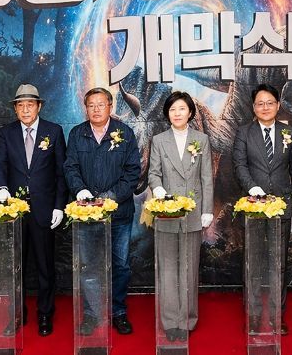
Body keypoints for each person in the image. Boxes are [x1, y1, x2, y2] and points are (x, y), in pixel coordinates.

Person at [0, 84, 67, 337]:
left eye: (30, 105)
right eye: (20, 105)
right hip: (14, 210)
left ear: (39, 106)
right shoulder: (6, 133)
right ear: (15, 109)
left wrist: (58, 206)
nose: (25, 109)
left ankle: (45, 313)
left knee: (45, 266)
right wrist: (2, 188)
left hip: (45, 210)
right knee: (15, 265)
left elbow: (61, 172)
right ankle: (17, 313)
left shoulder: (53, 131)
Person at [65, 87, 141, 335]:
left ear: (110, 106)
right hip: (86, 214)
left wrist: (109, 198)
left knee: (120, 265)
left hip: (119, 214)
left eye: (101, 104)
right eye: (91, 105)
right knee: (89, 265)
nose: (96, 109)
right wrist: (80, 190)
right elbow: (70, 167)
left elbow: (133, 173)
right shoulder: (77, 134)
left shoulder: (125, 133)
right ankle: (91, 313)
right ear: (85, 108)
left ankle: (118, 312)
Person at [232, 83, 292, 335]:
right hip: (253, 207)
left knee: (278, 263)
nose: (265, 107)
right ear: (253, 107)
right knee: (252, 263)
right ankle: (253, 316)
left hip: (282, 207)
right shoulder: (244, 132)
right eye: (260, 103)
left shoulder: (289, 132)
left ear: (278, 105)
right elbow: (239, 165)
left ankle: (276, 315)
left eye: (270, 103)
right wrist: (252, 188)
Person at [147, 91, 214, 341]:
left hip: (193, 213)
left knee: (189, 269)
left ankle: (186, 320)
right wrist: (158, 189)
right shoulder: (159, 140)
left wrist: (207, 210)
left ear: (190, 113)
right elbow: (153, 173)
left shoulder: (202, 140)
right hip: (166, 212)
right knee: (167, 269)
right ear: (167, 113)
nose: (177, 113)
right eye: (172, 109)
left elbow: (207, 177)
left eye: (182, 109)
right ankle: (169, 321)